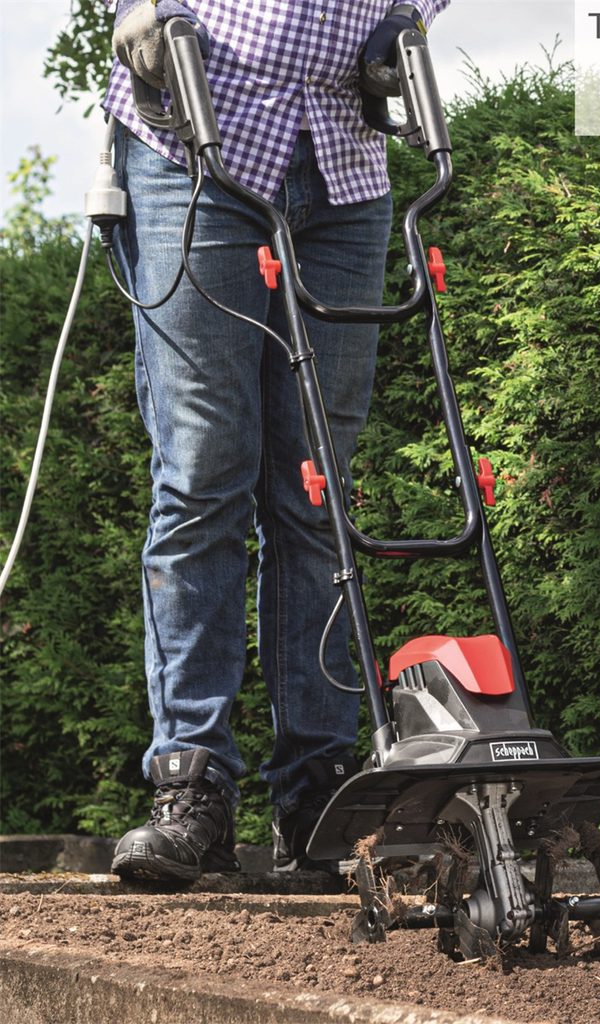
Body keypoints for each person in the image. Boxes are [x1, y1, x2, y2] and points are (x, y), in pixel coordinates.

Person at [104, 0, 450, 881]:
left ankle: (319, 793)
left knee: (317, 490)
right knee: (202, 476)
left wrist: (408, 13)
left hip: (345, 158)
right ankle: (192, 787)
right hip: (193, 140)